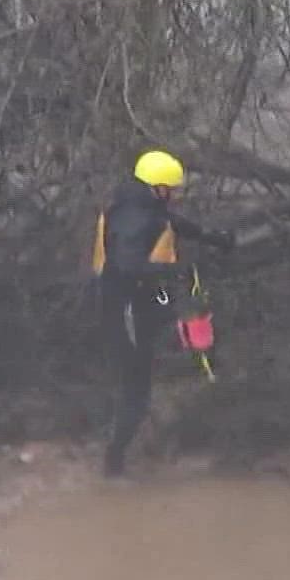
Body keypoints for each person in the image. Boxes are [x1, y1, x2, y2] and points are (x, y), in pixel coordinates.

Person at [89, 149, 235, 477]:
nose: (174, 195)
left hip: (141, 302)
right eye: (171, 189)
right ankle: (114, 465)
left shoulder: (136, 207)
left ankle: (153, 424)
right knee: (136, 389)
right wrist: (172, 271)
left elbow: (173, 224)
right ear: (158, 188)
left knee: (177, 331)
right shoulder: (137, 218)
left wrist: (215, 238)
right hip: (124, 309)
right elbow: (127, 266)